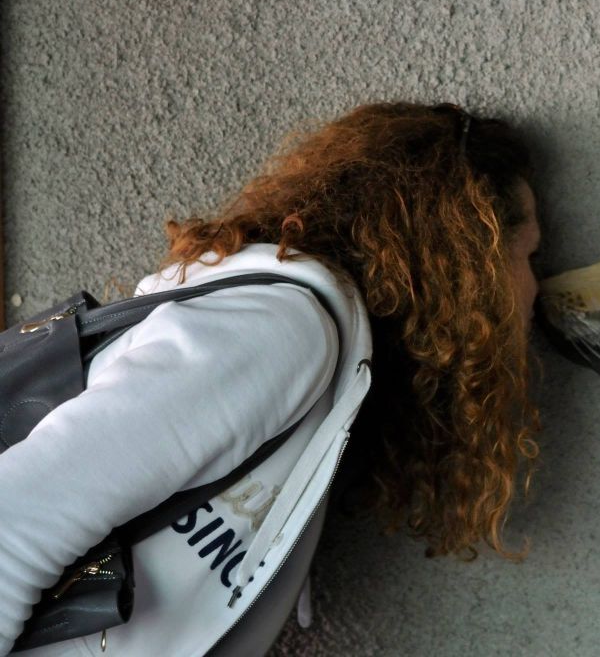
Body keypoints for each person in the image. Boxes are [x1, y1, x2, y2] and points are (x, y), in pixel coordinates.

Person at [0, 101, 544, 655]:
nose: (535, 288)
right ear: (466, 261)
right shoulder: (279, 333)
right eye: (527, 255)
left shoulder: (312, 363)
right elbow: (14, 524)